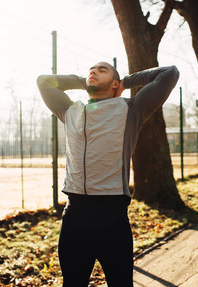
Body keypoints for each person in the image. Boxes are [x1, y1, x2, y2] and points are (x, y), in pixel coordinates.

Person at [37, 62, 180, 286]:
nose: (93, 71)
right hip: (75, 215)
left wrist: (126, 82)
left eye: (102, 70)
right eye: (91, 70)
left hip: (111, 217)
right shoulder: (69, 109)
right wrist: (82, 82)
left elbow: (169, 73)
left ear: (115, 83)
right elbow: (43, 81)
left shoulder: (131, 108)